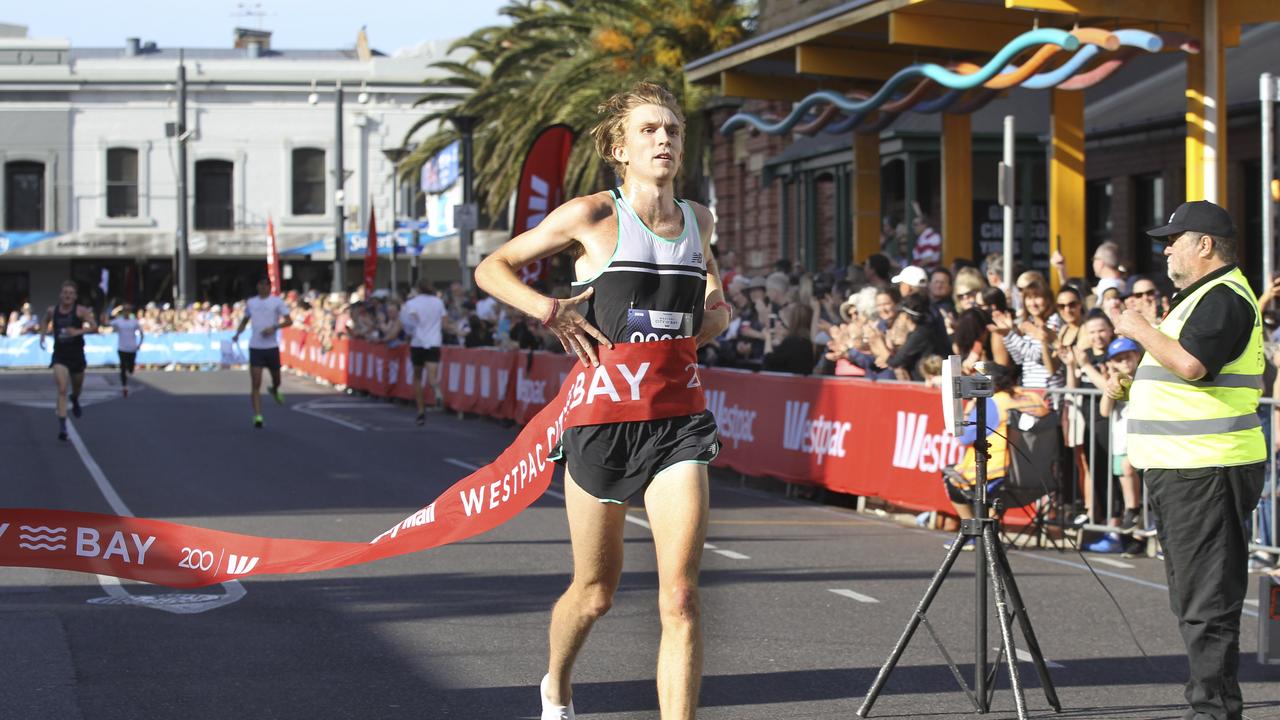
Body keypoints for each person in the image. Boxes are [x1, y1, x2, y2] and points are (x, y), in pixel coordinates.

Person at [473, 81, 730, 720]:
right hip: (603, 421)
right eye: (648, 130)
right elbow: (491, 267)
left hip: (678, 422)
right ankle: (556, 685)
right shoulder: (591, 216)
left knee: (681, 598)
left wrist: (711, 318)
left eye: (672, 129)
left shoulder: (700, 219)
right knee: (595, 594)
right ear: (618, 146)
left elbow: (716, 302)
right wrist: (548, 309)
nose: (664, 139)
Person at [1115, 200, 1265, 720]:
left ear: (1205, 245)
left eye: (1173, 240)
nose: (1166, 250)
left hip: (1208, 466)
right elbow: (1183, 372)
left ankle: (1214, 710)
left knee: (1206, 601)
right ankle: (1209, 704)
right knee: (1195, 597)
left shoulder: (1222, 296)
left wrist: (1139, 330)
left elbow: (1193, 365)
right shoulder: (1200, 296)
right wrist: (1134, 384)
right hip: (1189, 465)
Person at [940, 362, 1050, 549]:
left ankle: (973, 531)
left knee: (950, 477)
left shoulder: (993, 402)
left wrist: (969, 409)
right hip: (1039, 476)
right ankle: (988, 529)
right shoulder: (1032, 397)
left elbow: (964, 437)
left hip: (999, 474)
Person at [231, 277, 291, 428]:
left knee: (277, 379)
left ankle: (275, 388)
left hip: (271, 347)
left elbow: (289, 321)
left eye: (266, 286)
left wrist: (274, 327)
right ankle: (258, 415)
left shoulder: (277, 302)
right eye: (261, 285)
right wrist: (238, 333)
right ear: (257, 286)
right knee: (256, 383)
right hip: (256, 347)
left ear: (269, 287)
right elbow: (245, 320)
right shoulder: (251, 303)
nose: (263, 288)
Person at [41, 281, 98, 441]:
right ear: (61, 294)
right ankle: (63, 426)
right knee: (62, 389)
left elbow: (94, 326)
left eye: (71, 293)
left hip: (77, 355)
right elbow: (44, 321)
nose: (67, 295)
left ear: (75, 296)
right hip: (60, 355)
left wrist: (77, 331)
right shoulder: (53, 310)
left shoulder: (81, 311)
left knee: (76, 387)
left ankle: (75, 398)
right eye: (65, 292)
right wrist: (43, 335)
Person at [403, 277, 447, 424]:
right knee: (432, 376)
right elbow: (445, 322)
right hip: (434, 342)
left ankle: (421, 410)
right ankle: (436, 390)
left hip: (418, 342)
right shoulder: (438, 302)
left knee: (417, 377)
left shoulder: (411, 303)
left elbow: (409, 323)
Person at [107, 303, 144, 397]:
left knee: (130, 367)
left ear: (130, 312)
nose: (126, 312)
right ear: (123, 312)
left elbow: (141, 333)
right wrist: (115, 310)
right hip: (122, 348)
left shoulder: (134, 321)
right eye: (125, 310)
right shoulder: (118, 321)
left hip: (132, 348)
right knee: (123, 367)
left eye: (128, 310)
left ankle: (129, 372)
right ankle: (124, 387)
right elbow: (107, 322)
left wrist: (139, 344)